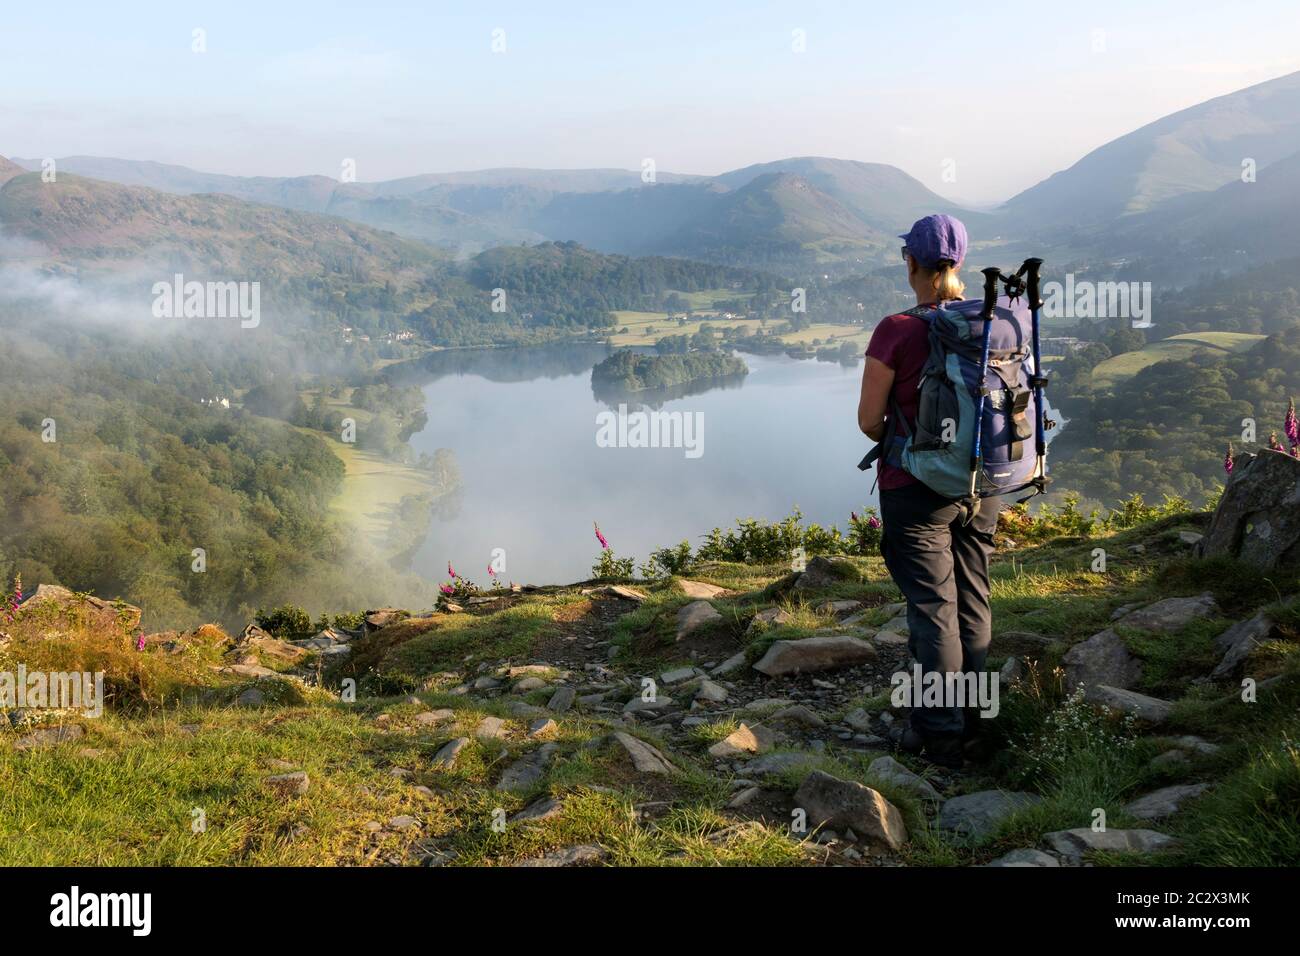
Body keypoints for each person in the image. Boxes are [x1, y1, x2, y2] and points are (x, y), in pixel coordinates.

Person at [856, 214, 999, 769]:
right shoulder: (992, 320)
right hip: (984, 485)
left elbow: (870, 421)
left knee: (932, 610)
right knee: (972, 597)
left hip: (917, 490)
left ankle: (940, 738)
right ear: (959, 262)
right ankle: (972, 720)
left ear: (910, 262)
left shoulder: (896, 329)